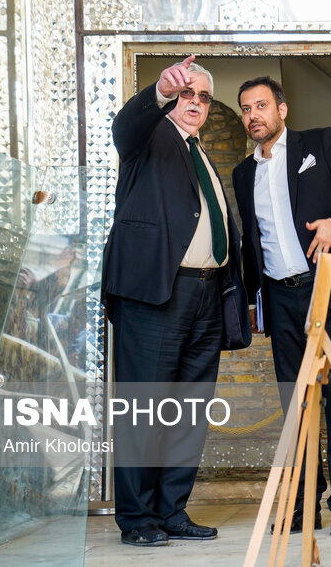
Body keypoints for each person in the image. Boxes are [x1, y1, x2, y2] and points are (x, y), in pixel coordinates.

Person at [232, 76, 331, 537]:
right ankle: (304, 505)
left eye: (262, 105)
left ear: (282, 110)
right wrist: (254, 300)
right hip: (279, 299)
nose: (254, 115)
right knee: (295, 405)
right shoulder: (243, 174)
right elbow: (252, 243)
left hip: (329, 291)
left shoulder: (319, 144)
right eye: (246, 108)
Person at [101, 56, 246, 547]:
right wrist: (160, 90)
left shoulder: (198, 152)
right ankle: (137, 518)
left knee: (189, 411)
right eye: (187, 94)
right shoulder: (149, 138)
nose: (196, 103)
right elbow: (126, 126)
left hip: (206, 293)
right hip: (156, 290)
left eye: (204, 97)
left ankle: (171, 510)